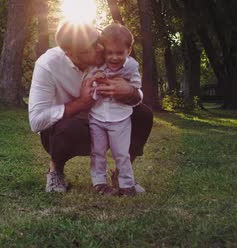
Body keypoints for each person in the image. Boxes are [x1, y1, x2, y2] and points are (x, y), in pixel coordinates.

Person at [28, 21, 153, 193]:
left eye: (98, 41)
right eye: (93, 46)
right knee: (67, 128)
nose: (101, 48)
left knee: (143, 115)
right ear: (71, 53)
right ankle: (55, 171)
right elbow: (36, 121)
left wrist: (130, 91)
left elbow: (136, 89)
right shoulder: (47, 65)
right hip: (72, 129)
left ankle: (123, 174)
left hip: (110, 118)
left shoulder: (108, 54)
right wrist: (81, 103)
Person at [88, 23, 141, 196]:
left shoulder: (132, 67)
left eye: (120, 53)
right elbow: (89, 85)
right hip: (97, 116)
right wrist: (96, 80)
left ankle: (126, 184)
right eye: (110, 53)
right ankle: (99, 182)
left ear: (129, 50)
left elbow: (136, 88)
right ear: (103, 51)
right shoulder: (99, 66)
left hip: (120, 117)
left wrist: (126, 88)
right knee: (98, 151)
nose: (114, 58)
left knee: (121, 153)